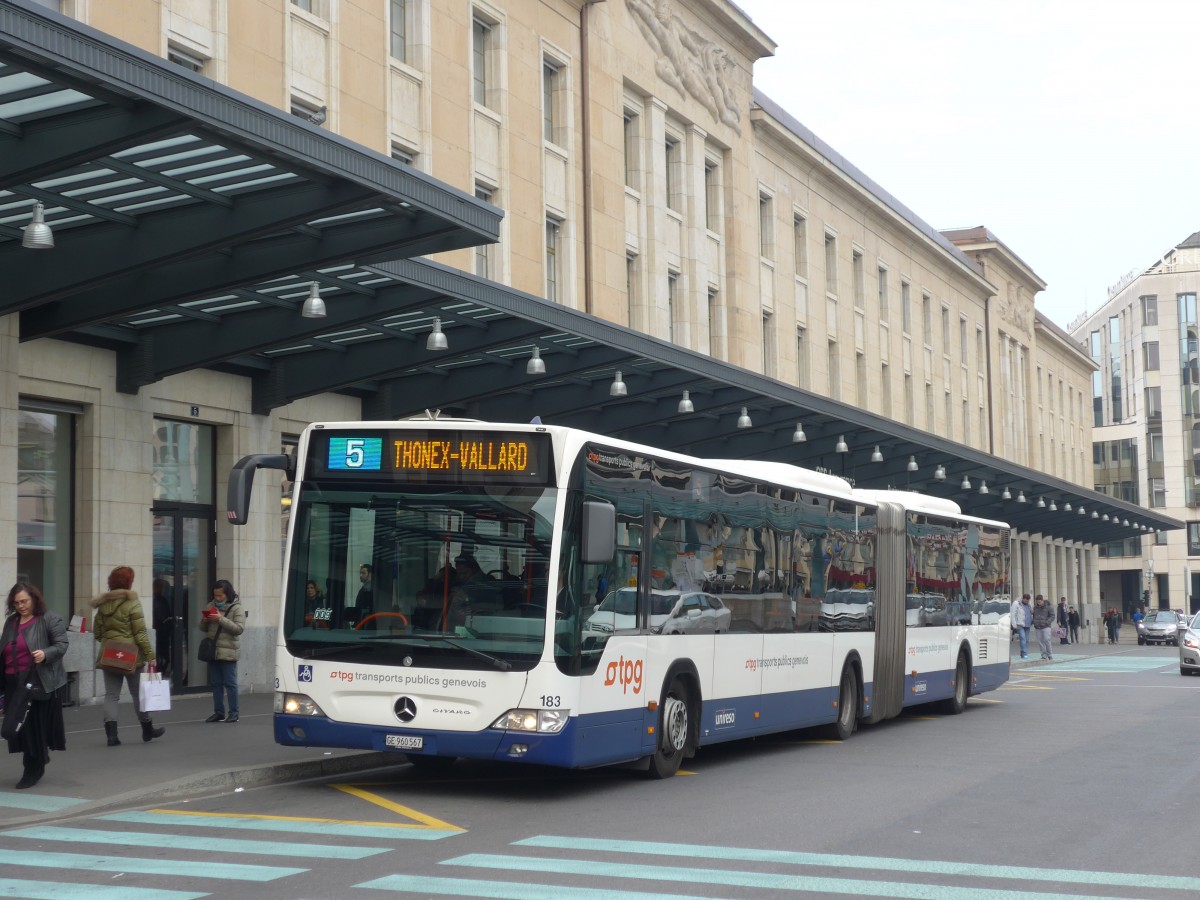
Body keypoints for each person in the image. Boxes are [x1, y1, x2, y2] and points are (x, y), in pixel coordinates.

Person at [1, 583, 67, 789]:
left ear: (34, 599)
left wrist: (45, 654)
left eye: (24, 601)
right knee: (17, 728)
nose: (20, 606)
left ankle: (33, 767)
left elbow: (62, 645)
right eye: (16, 603)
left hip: (37, 680)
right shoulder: (11, 622)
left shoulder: (49, 619)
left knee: (31, 727)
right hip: (13, 681)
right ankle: (39, 756)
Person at [91, 565, 164, 747]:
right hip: (132, 655)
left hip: (109, 654)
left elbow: (98, 632)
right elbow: (140, 633)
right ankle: (147, 730)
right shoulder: (132, 602)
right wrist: (150, 655)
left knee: (111, 695)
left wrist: (111, 642)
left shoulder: (103, 604)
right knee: (138, 694)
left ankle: (112, 736)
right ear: (129, 582)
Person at [202, 579, 245, 723]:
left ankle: (234, 712)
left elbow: (238, 629)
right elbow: (202, 628)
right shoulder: (210, 605)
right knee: (216, 683)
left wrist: (220, 619)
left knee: (230, 683)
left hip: (228, 651)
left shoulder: (236, 608)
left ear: (228, 594)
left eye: (220, 596)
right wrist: (205, 620)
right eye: (215, 595)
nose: (217, 599)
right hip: (213, 651)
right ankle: (218, 712)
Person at [151, 578, 174, 676]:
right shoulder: (154, 600)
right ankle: (159, 673)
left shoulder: (163, 599)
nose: (161, 589)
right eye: (159, 587)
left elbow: (167, 614)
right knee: (159, 656)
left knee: (165, 656)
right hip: (158, 630)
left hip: (164, 631)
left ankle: (162, 673)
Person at [1032, 593, 1054, 660]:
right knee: (1040, 641)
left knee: (1046, 639)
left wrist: (1047, 622)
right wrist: (1034, 621)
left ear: (1042, 600)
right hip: (1037, 626)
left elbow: (1052, 616)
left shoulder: (1048, 607)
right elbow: (1034, 616)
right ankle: (1043, 655)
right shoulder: (1035, 608)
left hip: (1046, 626)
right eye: (1037, 601)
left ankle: (1050, 654)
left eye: (1039, 601)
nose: (1038, 602)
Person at [1010, 593, 1032, 660]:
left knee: (1027, 640)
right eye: (1025, 600)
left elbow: (1030, 613)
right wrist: (1014, 624)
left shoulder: (1029, 605)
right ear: (1023, 598)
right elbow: (1013, 614)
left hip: (1027, 624)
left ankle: (1023, 652)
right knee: (1023, 639)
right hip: (1020, 624)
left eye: (1027, 600)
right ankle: (1025, 654)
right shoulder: (1016, 603)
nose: (1026, 601)